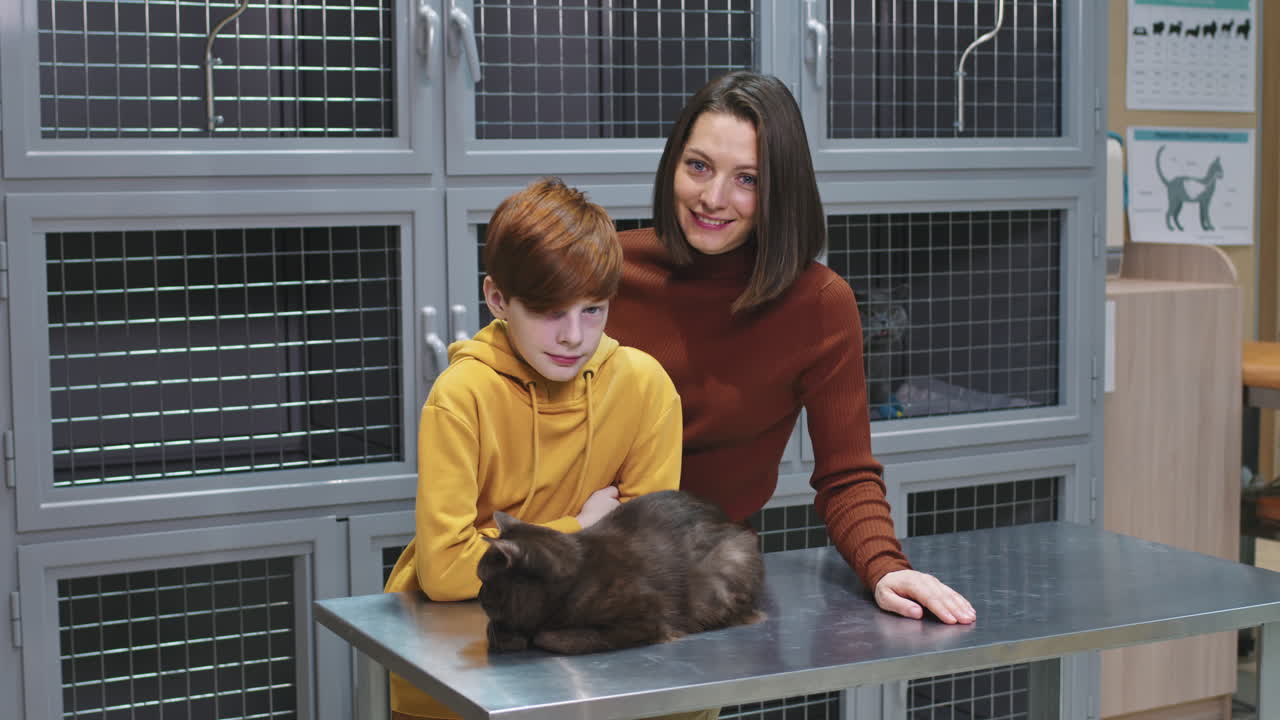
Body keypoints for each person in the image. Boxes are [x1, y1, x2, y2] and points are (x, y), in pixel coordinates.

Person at [608, 71, 977, 626]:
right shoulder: (605, 271)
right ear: (673, 166)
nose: (712, 198)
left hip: (706, 581)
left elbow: (846, 474)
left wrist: (884, 567)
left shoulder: (819, 304)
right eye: (699, 166)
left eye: (747, 179)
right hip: (578, 557)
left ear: (781, 188)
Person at [382, 178, 697, 720]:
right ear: (498, 299)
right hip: (457, 667)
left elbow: (646, 564)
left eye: (593, 310)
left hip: (593, 661)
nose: (574, 336)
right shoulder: (462, 395)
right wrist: (581, 526)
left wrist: (512, 552)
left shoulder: (646, 389)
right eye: (551, 312)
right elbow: (446, 571)